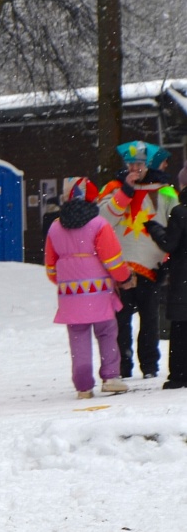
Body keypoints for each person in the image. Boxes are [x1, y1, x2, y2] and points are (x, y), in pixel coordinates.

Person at [47, 178, 133, 398]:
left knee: (78, 337)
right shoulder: (98, 224)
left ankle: (83, 386)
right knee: (106, 332)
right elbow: (112, 259)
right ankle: (111, 376)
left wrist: (64, 282)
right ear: (92, 198)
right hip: (99, 290)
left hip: (70, 295)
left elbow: (50, 266)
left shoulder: (55, 227)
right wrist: (124, 277)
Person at [98, 141, 177, 379]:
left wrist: (169, 258)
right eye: (131, 163)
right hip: (120, 269)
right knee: (120, 321)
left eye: (140, 163)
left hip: (151, 268)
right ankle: (122, 365)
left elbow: (176, 226)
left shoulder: (164, 191)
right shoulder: (113, 189)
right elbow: (101, 221)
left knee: (150, 319)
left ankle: (150, 366)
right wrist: (125, 192)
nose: (135, 167)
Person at [161, 168, 187, 389]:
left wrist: (154, 230)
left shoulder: (179, 212)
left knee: (180, 328)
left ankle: (179, 374)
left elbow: (170, 244)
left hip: (183, 278)